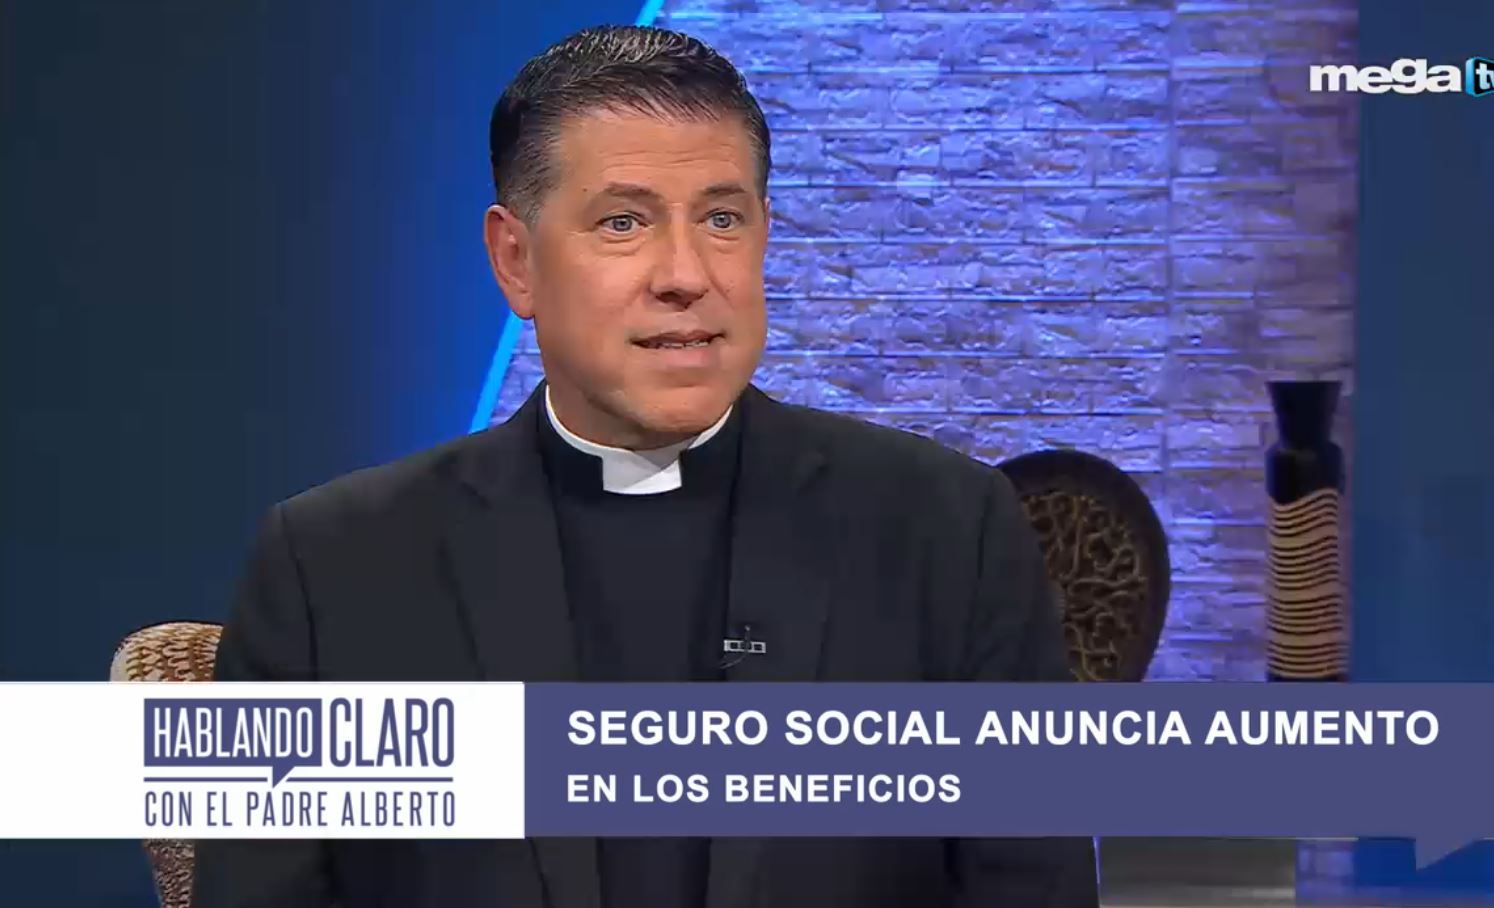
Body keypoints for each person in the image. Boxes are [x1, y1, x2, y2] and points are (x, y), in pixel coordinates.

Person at [192, 24, 1099, 908]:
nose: (684, 274)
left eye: (721, 219)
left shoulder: (948, 532)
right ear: (515, 261)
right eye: (622, 222)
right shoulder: (332, 565)